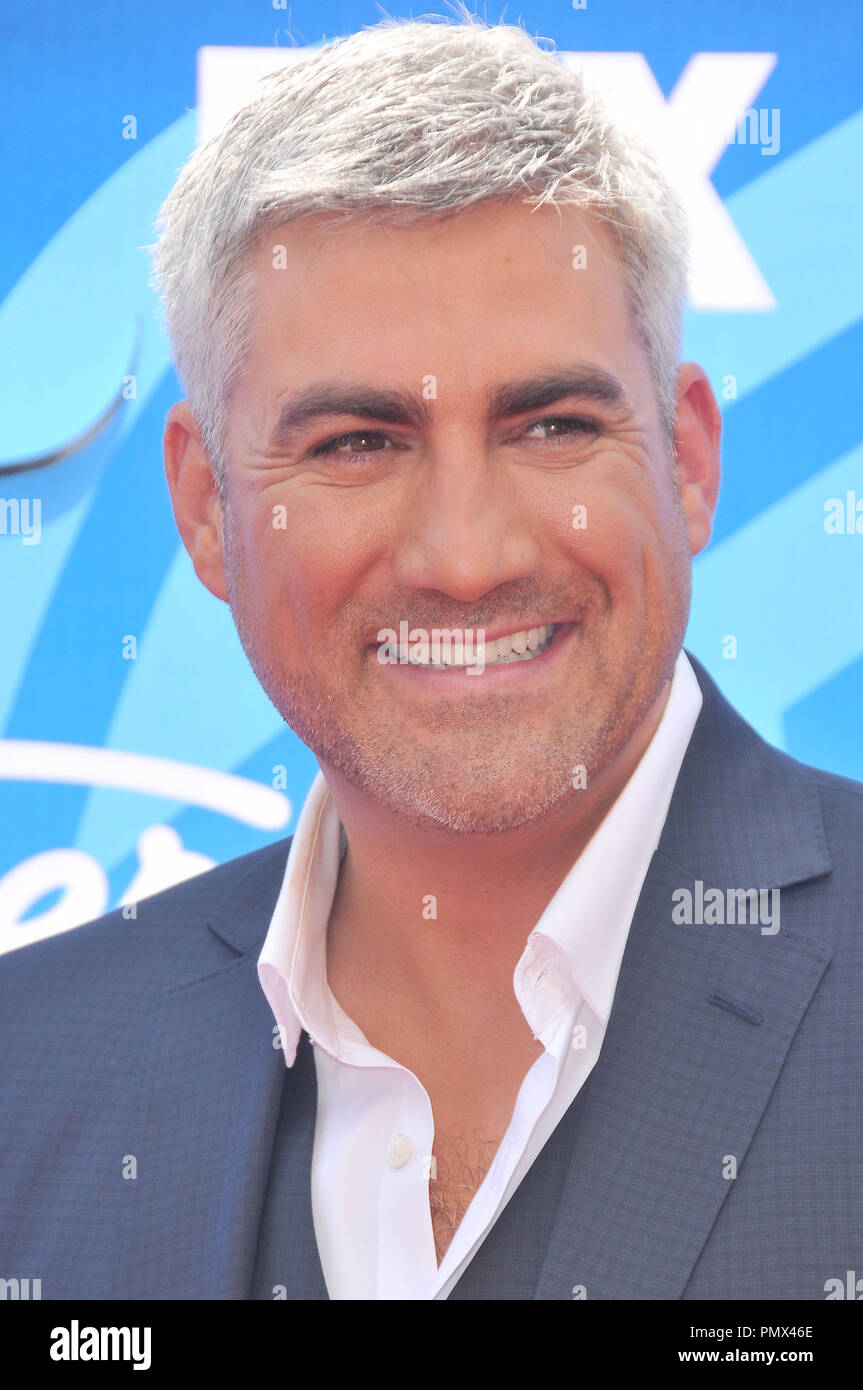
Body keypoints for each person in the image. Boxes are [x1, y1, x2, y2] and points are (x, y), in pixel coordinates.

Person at [1, 14, 860, 1302]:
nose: (464, 557)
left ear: (686, 462)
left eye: (553, 425)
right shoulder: (30, 1064)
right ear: (204, 505)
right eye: (357, 441)